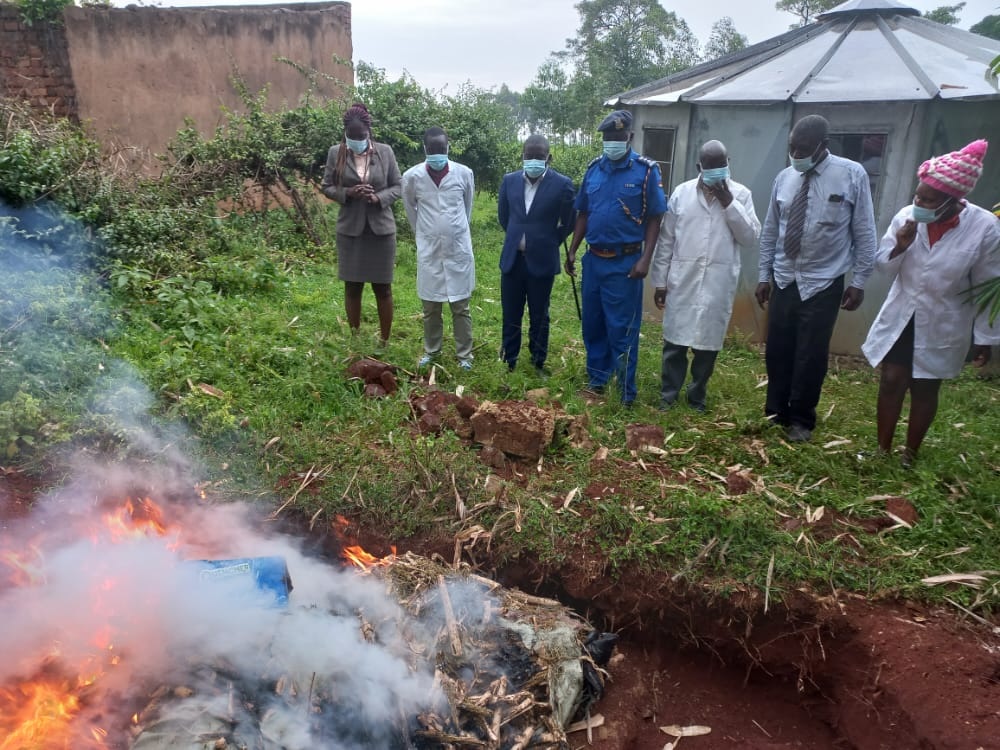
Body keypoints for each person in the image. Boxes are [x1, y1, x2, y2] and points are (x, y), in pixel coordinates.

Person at [861, 139, 1000, 467]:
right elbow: (882, 265)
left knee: (925, 386)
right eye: (918, 195)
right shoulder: (907, 218)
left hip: (944, 318)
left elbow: (986, 285)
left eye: (929, 198)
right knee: (892, 379)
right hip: (902, 312)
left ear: (953, 200)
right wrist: (900, 245)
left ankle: (910, 454)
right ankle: (882, 450)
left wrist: (986, 338)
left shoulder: (984, 229)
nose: (919, 202)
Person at [756, 114, 876, 442]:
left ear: (823, 145)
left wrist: (859, 281)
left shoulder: (852, 175)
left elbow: (864, 230)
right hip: (784, 278)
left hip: (823, 281)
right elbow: (771, 230)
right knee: (778, 348)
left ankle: (802, 419)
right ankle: (776, 410)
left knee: (810, 353)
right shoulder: (784, 178)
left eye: (804, 148)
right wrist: (763, 275)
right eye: (792, 147)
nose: (796, 154)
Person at [565, 110, 667, 406]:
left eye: (617, 138)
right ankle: (597, 381)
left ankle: (625, 393)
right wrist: (573, 249)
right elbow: (583, 213)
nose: (611, 143)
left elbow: (655, 218)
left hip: (625, 263)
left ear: (629, 138)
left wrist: (646, 259)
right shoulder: (594, 169)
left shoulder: (646, 171)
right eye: (607, 138)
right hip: (594, 261)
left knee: (622, 328)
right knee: (593, 324)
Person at [651, 140, 760, 412]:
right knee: (675, 342)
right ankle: (668, 395)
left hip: (717, 281)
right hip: (683, 279)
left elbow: (749, 237)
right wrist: (660, 281)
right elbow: (666, 240)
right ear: (700, 167)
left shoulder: (742, 195)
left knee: (707, 346)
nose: (716, 172)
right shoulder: (682, 193)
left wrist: (729, 204)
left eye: (721, 166)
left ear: (728, 163)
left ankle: (697, 397)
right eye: (710, 167)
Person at [321, 103, 402, 348]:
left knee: (383, 289)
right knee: (352, 288)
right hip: (350, 231)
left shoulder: (385, 152)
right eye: (352, 137)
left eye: (362, 136)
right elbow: (327, 187)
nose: (357, 140)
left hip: (381, 231)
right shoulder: (336, 153)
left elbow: (398, 186)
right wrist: (349, 192)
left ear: (369, 131)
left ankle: (384, 341)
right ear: (346, 133)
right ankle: (355, 340)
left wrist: (378, 198)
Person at [497, 134, 575, 375]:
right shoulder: (509, 181)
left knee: (540, 314)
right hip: (513, 260)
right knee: (511, 312)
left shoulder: (562, 184)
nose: (533, 160)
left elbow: (570, 221)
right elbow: (504, 217)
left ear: (548, 157)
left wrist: (550, 241)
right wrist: (517, 237)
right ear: (522, 156)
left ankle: (538, 360)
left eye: (539, 157)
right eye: (529, 156)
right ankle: (509, 359)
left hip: (542, 260)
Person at [402, 127, 476, 370]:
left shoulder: (464, 174)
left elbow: (467, 209)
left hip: (457, 250)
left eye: (441, 149)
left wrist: (453, 232)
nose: (437, 154)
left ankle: (464, 355)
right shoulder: (412, 177)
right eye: (432, 150)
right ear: (425, 149)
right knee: (430, 307)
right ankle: (432, 351)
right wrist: (426, 235)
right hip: (430, 250)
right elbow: (410, 211)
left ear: (448, 147)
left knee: (461, 306)